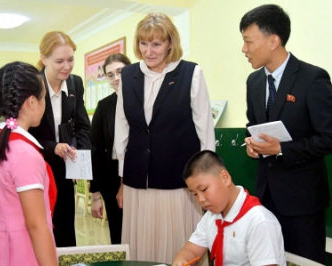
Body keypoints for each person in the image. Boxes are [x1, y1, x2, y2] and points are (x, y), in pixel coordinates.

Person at [114, 13, 215, 264]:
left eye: (156, 44)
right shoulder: (127, 76)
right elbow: (122, 129)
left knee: (176, 245)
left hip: (177, 182)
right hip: (138, 182)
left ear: (170, 43)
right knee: (142, 247)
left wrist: (206, 180)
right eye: (143, 43)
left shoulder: (190, 73)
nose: (149, 51)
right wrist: (122, 180)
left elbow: (205, 130)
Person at [240, 4, 332, 264]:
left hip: (303, 203)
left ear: (273, 40)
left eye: (248, 41)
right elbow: (253, 123)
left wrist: (281, 149)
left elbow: (329, 136)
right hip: (265, 198)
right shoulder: (254, 82)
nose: (244, 49)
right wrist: (253, 143)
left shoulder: (312, 79)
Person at [0, 61, 57, 265]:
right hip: (21, 251)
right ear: (32, 102)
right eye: (43, 98)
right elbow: (36, 225)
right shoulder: (24, 153)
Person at [30, 31, 91, 247]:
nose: (67, 66)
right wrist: (52, 146)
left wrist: (81, 162)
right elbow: (26, 131)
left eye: (70, 59)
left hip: (65, 166)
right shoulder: (32, 85)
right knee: (42, 225)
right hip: (38, 165)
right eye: (59, 61)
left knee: (65, 226)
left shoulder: (75, 84)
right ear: (44, 59)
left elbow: (82, 125)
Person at [173, 150, 286, 266]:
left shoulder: (259, 221)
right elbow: (191, 250)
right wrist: (181, 261)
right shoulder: (211, 216)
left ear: (225, 178)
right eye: (195, 194)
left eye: (204, 189)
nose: (200, 199)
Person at [90, 53, 131, 244]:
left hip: (140, 177)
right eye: (110, 74)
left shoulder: (143, 101)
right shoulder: (104, 106)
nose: (116, 78)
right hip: (111, 180)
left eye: (120, 72)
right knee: (119, 234)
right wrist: (95, 193)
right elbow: (96, 149)